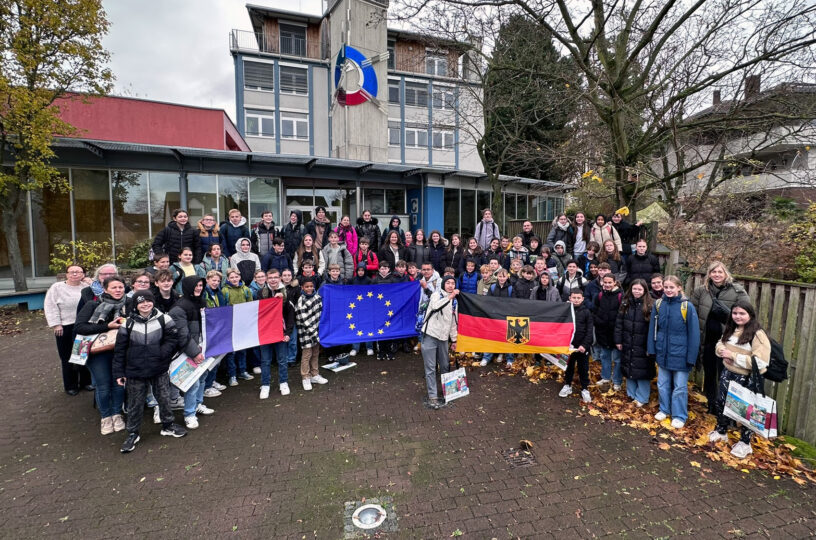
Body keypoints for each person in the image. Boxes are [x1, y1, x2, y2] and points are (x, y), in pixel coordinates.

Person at [114, 290, 186, 453]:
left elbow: (172, 339)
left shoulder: (164, 319)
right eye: (141, 302)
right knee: (135, 403)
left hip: (158, 368)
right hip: (135, 371)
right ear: (135, 305)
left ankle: (168, 425)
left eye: (148, 301)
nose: (145, 304)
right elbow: (120, 350)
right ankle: (132, 433)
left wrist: (161, 354)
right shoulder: (128, 324)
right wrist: (119, 373)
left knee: (164, 398)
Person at [710, 301, 771, 458]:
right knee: (722, 403)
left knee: (748, 411)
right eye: (735, 313)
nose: (738, 316)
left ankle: (745, 443)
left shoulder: (758, 335)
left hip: (748, 378)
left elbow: (761, 362)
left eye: (742, 313)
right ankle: (721, 431)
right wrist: (722, 351)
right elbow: (720, 344)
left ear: (750, 315)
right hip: (728, 373)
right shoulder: (731, 329)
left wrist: (734, 356)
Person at [690, 262, 751, 413]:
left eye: (720, 272)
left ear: (725, 274)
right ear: (709, 274)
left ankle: (726, 409)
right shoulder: (701, 291)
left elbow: (747, 313)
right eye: (713, 272)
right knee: (709, 373)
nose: (717, 274)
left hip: (727, 343)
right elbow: (693, 314)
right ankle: (712, 404)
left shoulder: (737, 291)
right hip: (707, 341)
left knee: (726, 376)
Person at [74, 276, 128, 435]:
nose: (118, 290)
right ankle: (106, 417)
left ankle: (117, 415)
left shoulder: (128, 305)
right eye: (114, 287)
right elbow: (79, 327)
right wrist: (107, 326)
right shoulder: (93, 305)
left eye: (120, 287)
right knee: (103, 385)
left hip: (120, 351)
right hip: (98, 352)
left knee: (118, 383)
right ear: (105, 289)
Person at [647, 275, 701, 429]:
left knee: (680, 387)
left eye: (672, 287)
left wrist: (691, 357)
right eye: (666, 287)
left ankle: (679, 415)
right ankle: (664, 409)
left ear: (679, 288)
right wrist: (652, 349)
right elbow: (653, 329)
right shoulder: (659, 304)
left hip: (681, 355)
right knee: (662, 384)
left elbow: (694, 334)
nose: (668, 290)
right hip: (662, 352)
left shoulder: (687, 307)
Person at [167, 277, 214, 430]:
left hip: (202, 347)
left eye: (201, 285)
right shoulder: (178, 308)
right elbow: (182, 334)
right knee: (192, 383)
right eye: (196, 285)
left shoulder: (202, 302)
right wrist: (194, 352)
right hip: (187, 351)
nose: (199, 288)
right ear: (188, 287)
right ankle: (189, 414)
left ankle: (198, 404)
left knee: (202, 379)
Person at [45, 264, 92, 395]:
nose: (75, 274)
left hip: (83, 326)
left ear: (83, 274)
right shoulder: (57, 288)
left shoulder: (87, 287)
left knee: (82, 354)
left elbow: (100, 294)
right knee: (67, 357)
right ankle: (70, 385)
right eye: (72, 272)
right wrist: (56, 324)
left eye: (78, 272)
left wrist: (92, 282)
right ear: (66, 274)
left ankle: (86, 382)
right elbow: (50, 306)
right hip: (64, 326)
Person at [420, 275, 459, 409]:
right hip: (430, 335)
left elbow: (454, 322)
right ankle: (433, 396)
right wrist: (450, 297)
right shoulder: (437, 295)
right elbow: (435, 306)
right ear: (443, 284)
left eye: (453, 283)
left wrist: (454, 340)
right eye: (447, 283)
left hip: (443, 338)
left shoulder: (454, 301)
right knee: (430, 367)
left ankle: (448, 393)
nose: (450, 285)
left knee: (445, 365)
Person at [615, 279, 655, 407]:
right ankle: (631, 394)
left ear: (644, 291)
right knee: (629, 367)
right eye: (634, 289)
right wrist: (618, 339)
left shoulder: (650, 305)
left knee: (642, 371)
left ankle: (642, 397)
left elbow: (653, 328)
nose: (636, 292)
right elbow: (619, 323)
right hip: (627, 340)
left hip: (643, 343)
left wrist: (651, 346)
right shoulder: (626, 303)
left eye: (639, 289)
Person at [258, 275, 296, 399]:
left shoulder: (286, 292)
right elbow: (257, 312)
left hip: (280, 332)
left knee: (282, 359)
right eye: (270, 278)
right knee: (265, 360)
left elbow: (290, 315)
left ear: (279, 279)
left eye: (275, 278)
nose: (273, 280)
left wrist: (288, 333)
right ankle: (265, 384)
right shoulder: (260, 293)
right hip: (264, 333)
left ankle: (283, 382)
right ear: (267, 279)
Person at [558, 289, 594, 403]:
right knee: (568, 367)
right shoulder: (566, 311)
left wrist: (584, 345)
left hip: (582, 347)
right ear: (570, 298)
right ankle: (567, 385)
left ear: (582, 299)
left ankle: (584, 388)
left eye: (578, 298)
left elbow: (589, 331)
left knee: (583, 368)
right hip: (568, 347)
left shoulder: (587, 312)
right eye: (574, 297)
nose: (576, 300)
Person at [222, 269, 255, 386]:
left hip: (243, 324)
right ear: (227, 279)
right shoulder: (225, 291)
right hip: (230, 325)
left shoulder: (246, 290)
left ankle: (243, 371)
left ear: (240, 277)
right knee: (231, 352)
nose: (234, 279)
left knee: (242, 350)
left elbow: (251, 305)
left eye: (236, 277)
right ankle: (232, 375)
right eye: (232, 277)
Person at [295, 277, 327, 390]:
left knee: (315, 354)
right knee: (306, 355)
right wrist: (315, 334)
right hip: (306, 334)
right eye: (306, 287)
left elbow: (322, 314)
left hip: (317, 332)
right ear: (302, 287)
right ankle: (305, 377)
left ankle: (315, 374)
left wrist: (321, 332)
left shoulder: (317, 297)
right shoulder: (301, 301)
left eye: (311, 286)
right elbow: (304, 321)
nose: (309, 288)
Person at [593, 274, 623, 390]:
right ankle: (605, 377)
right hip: (603, 331)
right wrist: (598, 321)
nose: (607, 285)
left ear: (615, 282)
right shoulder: (600, 295)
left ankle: (617, 381)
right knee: (604, 356)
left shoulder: (620, 296)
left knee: (617, 359)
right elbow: (595, 310)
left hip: (616, 332)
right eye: (605, 282)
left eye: (610, 282)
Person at [479, 269, 514, 367]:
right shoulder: (493, 287)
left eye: (503, 276)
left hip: (506, 317)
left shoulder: (511, 288)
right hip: (494, 317)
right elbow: (488, 301)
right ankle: (486, 357)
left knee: (508, 338)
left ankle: (509, 359)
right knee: (491, 337)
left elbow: (514, 302)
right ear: (497, 277)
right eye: (500, 276)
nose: (502, 278)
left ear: (507, 277)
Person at [349, 262, 375, 357]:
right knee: (356, 326)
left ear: (365, 271)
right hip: (355, 307)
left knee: (368, 326)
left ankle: (369, 347)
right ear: (356, 271)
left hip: (366, 307)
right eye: (359, 270)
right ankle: (355, 347)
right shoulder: (352, 280)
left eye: (362, 270)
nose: (360, 272)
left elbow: (372, 293)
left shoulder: (369, 280)